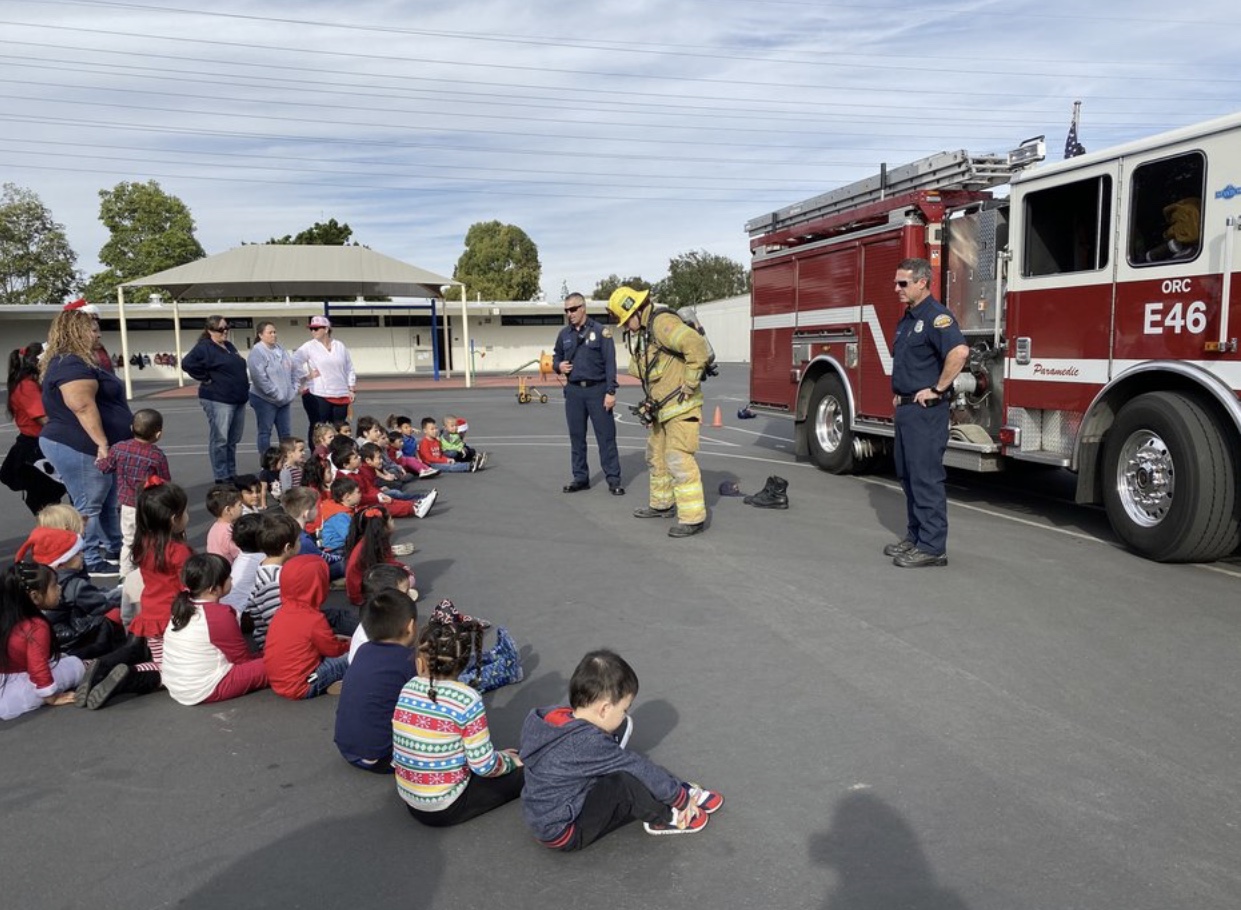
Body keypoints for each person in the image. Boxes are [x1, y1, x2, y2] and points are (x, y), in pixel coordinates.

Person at [519, 649, 724, 849]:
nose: (625, 715)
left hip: (541, 816)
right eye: (624, 709)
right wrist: (679, 798)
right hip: (565, 830)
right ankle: (668, 813)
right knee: (626, 784)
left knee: (618, 760)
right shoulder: (588, 743)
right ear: (605, 709)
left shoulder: (547, 717)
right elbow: (637, 767)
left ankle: (668, 788)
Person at [392, 613, 524, 826]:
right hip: (446, 806)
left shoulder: (408, 688)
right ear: (464, 664)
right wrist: (509, 761)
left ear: (419, 664)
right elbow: (484, 767)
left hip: (410, 797)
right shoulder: (466, 698)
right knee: (525, 769)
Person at [884, 258, 969, 568]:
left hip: (926, 413)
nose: (897, 288)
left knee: (925, 477)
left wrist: (937, 388)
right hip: (907, 410)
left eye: (902, 283)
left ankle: (933, 548)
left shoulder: (937, 317)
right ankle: (916, 537)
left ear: (922, 282)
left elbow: (959, 352)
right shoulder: (908, 320)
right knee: (907, 475)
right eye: (896, 282)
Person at [608, 286, 709, 538]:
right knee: (656, 457)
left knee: (678, 458)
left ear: (635, 311)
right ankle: (661, 504)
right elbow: (646, 371)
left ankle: (693, 518)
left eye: (625, 321)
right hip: (662, 409)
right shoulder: (644, 333)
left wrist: (690, 382)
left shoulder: (662, 323)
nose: (625, 327)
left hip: (681, 407)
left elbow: (695, 346)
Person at [38, 308, 132, 573]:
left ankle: (113, 546)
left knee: (106, 499)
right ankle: (88, 558)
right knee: (88, 502)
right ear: (76, 332)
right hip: (79, 444)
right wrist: (102, 444)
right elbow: (82, 405)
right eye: (92, 329)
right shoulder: (70, 364)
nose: (98, 334)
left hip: (89, 444)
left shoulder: (78, 361)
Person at [162, 553, 269, 706]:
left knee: (267, 657)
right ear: (214, 589)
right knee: (276, 663)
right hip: (207, 687)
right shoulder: (218, 615)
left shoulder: (182, 608)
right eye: (228, 577)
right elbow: (241, 659)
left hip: (179, 685)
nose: (232, 580)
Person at [333, 588, 419, 772]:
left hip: (347, 749)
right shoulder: (407, 660)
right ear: (410, 626)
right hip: (382, 755)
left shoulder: (362, 651)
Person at [554, 293, 624, 496]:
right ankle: (580, 478)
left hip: (598, 390)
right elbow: (556, 355)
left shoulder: (601, 332)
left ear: (583, 308)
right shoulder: (564, 334)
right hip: (574, 391)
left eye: (573, 309)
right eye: (566, 310)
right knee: (577, 437)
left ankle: (613, 479)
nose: (570, 313)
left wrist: (610, 392)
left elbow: (610, 363)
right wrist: (559, 365)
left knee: (606, 437)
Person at [0, 560, 85, 720]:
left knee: (61, 659)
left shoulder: (6, 618)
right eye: (54, 586)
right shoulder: (36, 626)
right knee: (75, 664)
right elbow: (37, 667)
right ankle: (92, 666)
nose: (59, 589)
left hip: (4, 681)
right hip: (24, 688)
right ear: (35, 596)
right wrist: (52, 696)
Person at [264, 555, 350, 700]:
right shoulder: (313, 619)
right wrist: (349, 644)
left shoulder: (281, 612)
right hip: (303, 685)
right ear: (318, 585)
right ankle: (326, 683)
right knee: (357, 653)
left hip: (279, 682)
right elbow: (333, 650)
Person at [97, 408, 170, 575]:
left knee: (129, 541)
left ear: (132, 428)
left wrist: (99, 458)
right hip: (148, 505)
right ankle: (151, 571)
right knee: (152, 540)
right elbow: (165, 481)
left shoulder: (119, 448)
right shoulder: (157, 456)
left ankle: (125, 575)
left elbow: (105, 467)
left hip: (128, 504)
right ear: (158, 434)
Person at [1, 342, 66, 516]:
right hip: (36, 447)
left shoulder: (32, 384)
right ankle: (51, 536)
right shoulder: (27, 386)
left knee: (50, 496)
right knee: (45, 499)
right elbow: (44, 418)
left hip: (40, 443)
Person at [181, 316, 249, 482]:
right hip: (219, 399)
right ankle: (221, 475)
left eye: (227, 327)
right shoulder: (205, 347)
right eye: (221, 329)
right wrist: (205, 377)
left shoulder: (229, 346)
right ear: (210, 330)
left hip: (237, 399)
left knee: (233, 439)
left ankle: (231, 472)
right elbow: (187, 363)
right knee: (221, 439)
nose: (225, 331)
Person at [293, 315, 356, 443]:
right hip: (319, 394)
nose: (313, 331)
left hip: (340, 394)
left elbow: (349, 367)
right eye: (311, 329)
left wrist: (351, 388)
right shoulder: (309, 346)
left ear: (326, 329)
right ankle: (316, 457)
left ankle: (337, 457)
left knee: (338, 429)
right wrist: (306, 375)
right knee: (318, 428)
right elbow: (294, 362)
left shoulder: (339, 346)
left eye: (316, 328)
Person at [244, 511, 301, 649]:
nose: (300, 543)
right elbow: (278, 623)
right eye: (298, 540)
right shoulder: (273, 582)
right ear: (288, 548)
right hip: (281, 645)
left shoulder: (265, 566)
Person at [344, 505, 417, 607]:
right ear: (383, 526)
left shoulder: (380, 541)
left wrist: (401, 567)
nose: (393, 522)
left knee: (408, 575)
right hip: (366, 591)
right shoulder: (362, 550)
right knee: (408, 580)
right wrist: (359, 599)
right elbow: (352, 575)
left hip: (375, 579)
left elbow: (388, 561)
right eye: (391, 520)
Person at [247, 320, 298, 458]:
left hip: (284, 401)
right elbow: (259, 378)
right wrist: (276, 394)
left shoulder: (281, 349)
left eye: (275, 332)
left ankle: (286, 461)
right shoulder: (257, 352)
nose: (274, 335)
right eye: (270, 332)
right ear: (260, 335)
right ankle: (267, 463)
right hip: (265, 400)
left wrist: (293, 390)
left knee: (285, 433)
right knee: (265, 432)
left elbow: (293, 371)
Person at [418, 418, 482, 472]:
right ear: (425, 431)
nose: (435, 431)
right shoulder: (424, 443)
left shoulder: (437, 441)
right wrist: (445, 460)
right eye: (432, 429)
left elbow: (440, 454)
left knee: (453, 463)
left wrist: (447, 459)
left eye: (436, 428)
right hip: (430, 464)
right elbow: (429, 458)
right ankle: (470, 466)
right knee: (449, 467)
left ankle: (473, 464)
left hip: (439, 461)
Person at [205, 484, 244, 563]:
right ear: (228, 510)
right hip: (231, 571)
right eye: (240, 505)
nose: (242, 507)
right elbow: (241, 554)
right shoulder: (230, 531)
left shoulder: (214, 528)